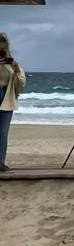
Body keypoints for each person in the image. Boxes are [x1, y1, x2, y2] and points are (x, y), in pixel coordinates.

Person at [0, 32, 28, 172]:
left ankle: (0, 162)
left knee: (3, 132)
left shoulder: (11, 63)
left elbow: (21, 84)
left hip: (6, 96)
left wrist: (16, 69)